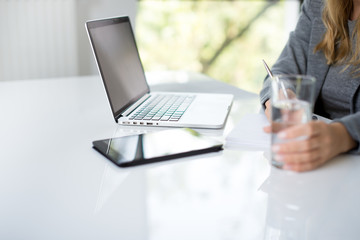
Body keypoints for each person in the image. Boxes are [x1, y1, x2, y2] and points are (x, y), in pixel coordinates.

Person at [260, 0, 360, 172]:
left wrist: (344, 135)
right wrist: (282, 97)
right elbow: (284, 68)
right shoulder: (317, 4)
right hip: (313, 166)